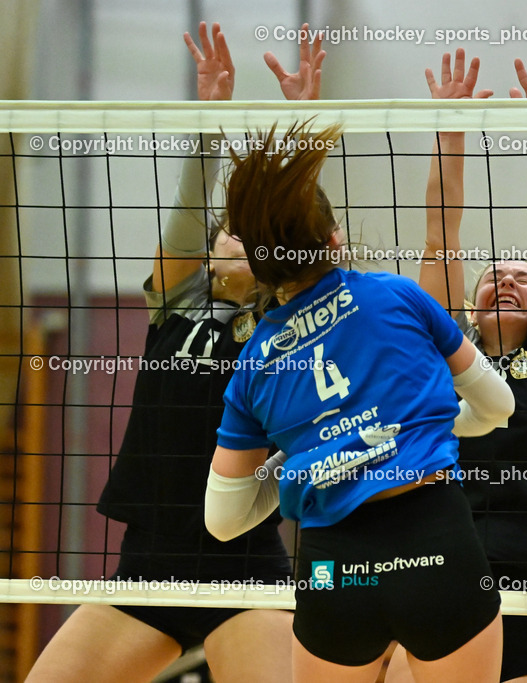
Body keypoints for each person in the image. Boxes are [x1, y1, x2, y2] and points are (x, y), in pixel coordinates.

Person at [26, 22, 325, 683]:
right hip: (147, 565)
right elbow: (189, 213)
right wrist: (209, 118)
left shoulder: (288, 320)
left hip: (242, 571)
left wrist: (303, 124)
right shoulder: (176, 302)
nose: (235, 239)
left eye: (256, 235)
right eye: (227, 232)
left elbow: (301, 231)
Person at [204, 119, 514, 682]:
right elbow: (498, 407)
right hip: (436, 546)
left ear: (260, 264)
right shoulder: (398, 296)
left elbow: (224, 521)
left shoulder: (255, 361)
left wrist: (307, 453)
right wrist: (411, 426)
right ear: (334, 239)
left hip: (332, 570)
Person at [388, 49, 527, 683]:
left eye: (521, 278)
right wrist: (451, 130)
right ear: (466, 313)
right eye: (492, 276)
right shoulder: (443, 356)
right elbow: (439, 241)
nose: (506, 277)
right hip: (443, 582)